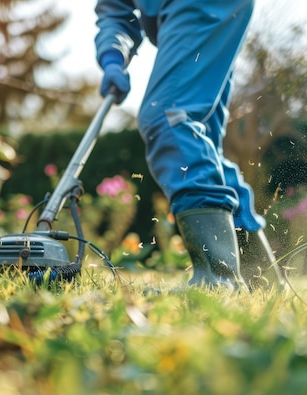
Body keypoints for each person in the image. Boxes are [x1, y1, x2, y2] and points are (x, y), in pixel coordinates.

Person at [94, 0, 265, 290]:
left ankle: (219, 280)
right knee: (199, 140)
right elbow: (114, 7)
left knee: (167, 117)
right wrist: (112, 58)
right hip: (187, 14)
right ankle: (261, 275)